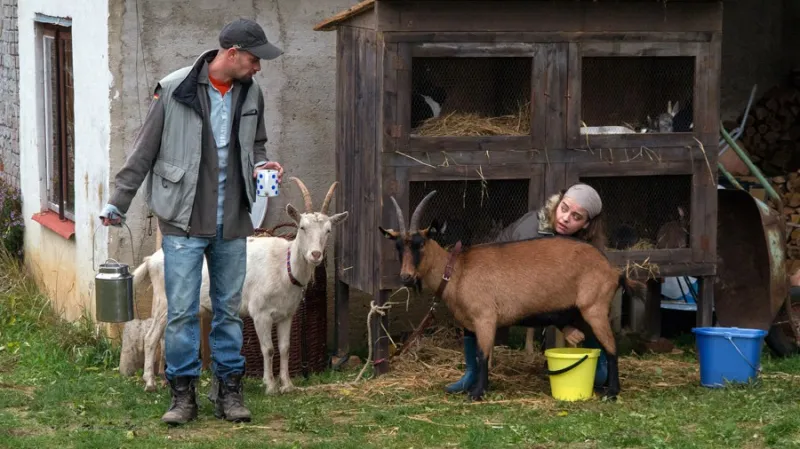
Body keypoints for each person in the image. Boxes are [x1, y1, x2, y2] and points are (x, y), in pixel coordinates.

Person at [99, 18, 285, 425]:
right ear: (232, 53)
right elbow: (143, 152)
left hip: (233, 218)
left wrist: (262, 165)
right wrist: (118, 202)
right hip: (183, 220)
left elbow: (256, 145)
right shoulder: (175, 89)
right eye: (254, 59)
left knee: (229, 311)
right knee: (182, 313)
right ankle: (182, 396)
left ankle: (229, 393)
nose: (258, 68)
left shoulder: (252, 92)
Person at [444, 183, 610, 394]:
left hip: (551, 300)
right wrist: (564, 327)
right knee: (476, 307)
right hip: (504, 287)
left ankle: (599, 358)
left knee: (599, 377)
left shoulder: (588, 246)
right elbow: (534, 296)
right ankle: (472, 373)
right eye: (564, 208)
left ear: (587, 225)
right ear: (558, 203)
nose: (566, 218)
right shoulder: (532, 232)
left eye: (577, 217)